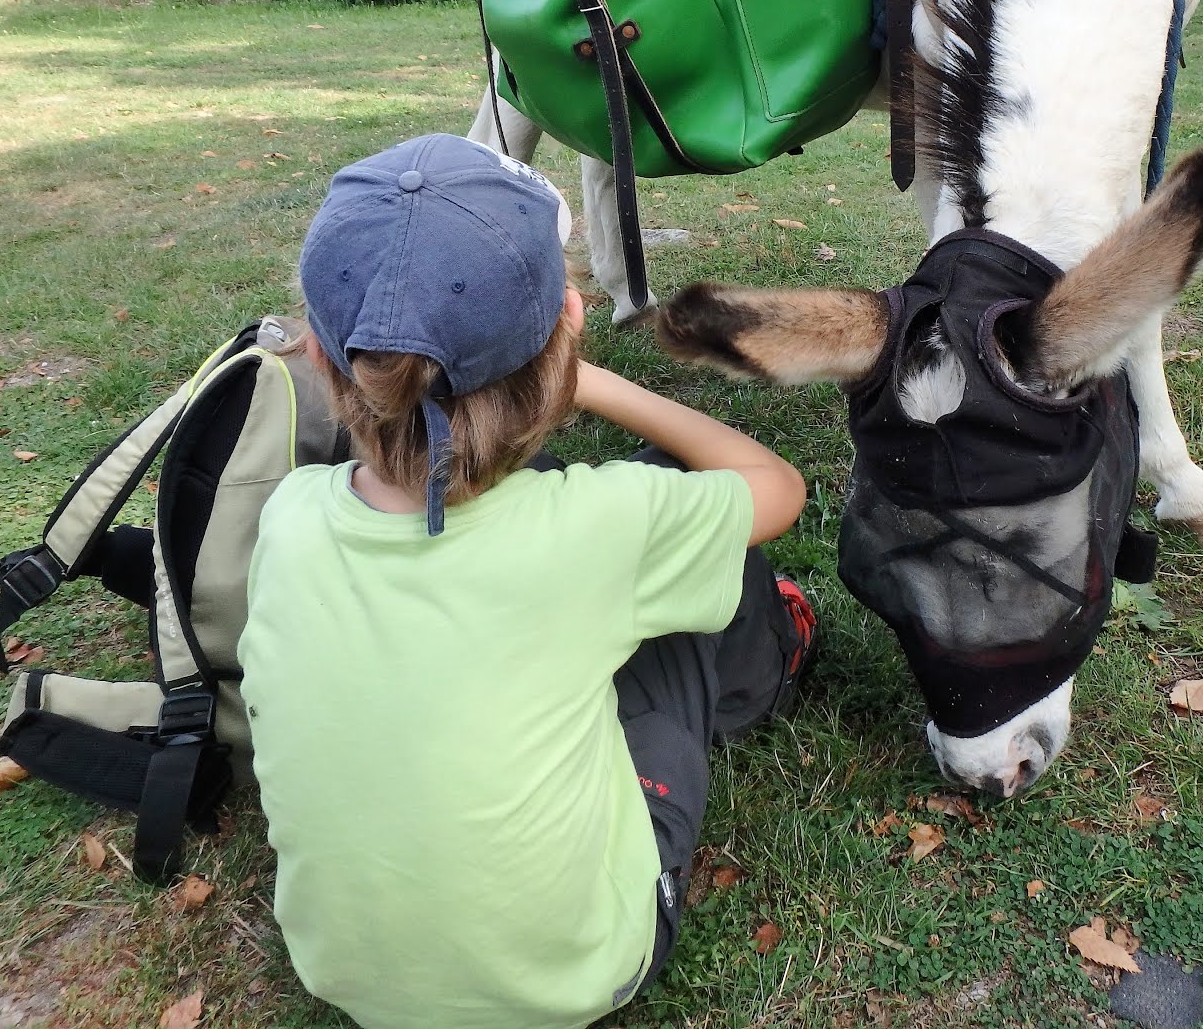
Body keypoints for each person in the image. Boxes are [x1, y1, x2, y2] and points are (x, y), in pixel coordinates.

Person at [237, 133, 816, 1029]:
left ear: (318, 356)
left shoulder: (290, 516)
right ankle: (771, 666)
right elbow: (776, 487)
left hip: (343, 974)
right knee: (696, 532)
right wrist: (593, 382)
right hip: (579, 973)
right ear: (567, 328)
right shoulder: (599, 523)